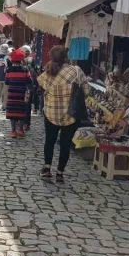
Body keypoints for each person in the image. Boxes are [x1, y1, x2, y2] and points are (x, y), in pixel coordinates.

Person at [37, 45, 87, 183]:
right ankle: (60, 172)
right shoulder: (76, 71)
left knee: (50, 141)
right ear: (66, 56)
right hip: (71, 114)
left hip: (51, 112)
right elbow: (86, 91)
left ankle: (47, 169)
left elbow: (41, 85)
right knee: (65, 143)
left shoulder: (47, 72)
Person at [5, 48, 32, 138]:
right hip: (22, 94)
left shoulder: (9, 70)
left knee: (12, 112)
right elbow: (29, 81)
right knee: (21, 111)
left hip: (12, 94)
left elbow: (7, 82)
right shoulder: (25, 69)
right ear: (21, 60)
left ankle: (13, 131)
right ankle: (21, 130)